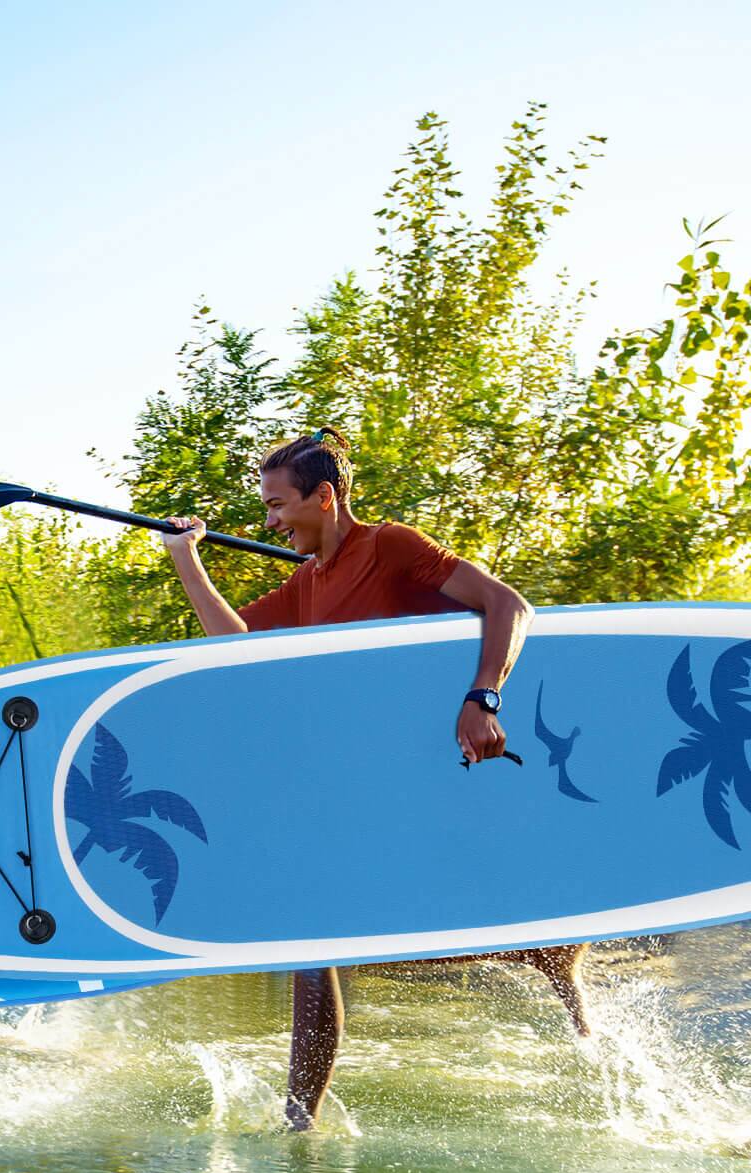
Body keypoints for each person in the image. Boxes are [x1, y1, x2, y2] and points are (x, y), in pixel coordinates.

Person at [160, 427, 587, 1130]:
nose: (268, 521)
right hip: (363, 787)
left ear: (324, 497)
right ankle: (536, 952)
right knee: (320, 940)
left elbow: (510, 605)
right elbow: (234, 650)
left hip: (439, 769)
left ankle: (300, 1120)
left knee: (318, 938)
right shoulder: (309, 583)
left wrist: (484, 696)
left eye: (276, 505)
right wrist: (187, 560)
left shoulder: (390, 546)